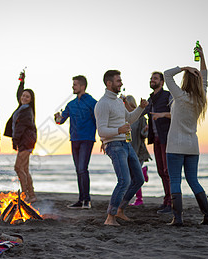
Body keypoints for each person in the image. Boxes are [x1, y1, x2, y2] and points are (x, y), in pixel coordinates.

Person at [157, 44, 208, 226]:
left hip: (175, 145)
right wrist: (202, 56)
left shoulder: (179, 96)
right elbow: (205, 76)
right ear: (197, 82)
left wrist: (183, 67)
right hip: (192, 146)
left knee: (175, 180)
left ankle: (178, 218)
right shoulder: (201, 98)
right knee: (193, 180)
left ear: (185, 80)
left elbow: (166, 74)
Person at [95, 70, 148, 226]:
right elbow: (101, 131)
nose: (121, 83)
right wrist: (118, 130)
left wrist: (140, 108)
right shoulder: (103, 104)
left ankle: (120, 210)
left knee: (138, 179)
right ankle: (110, 217)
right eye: (118, 81)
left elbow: (130, 118)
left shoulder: (118, 102)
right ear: (109, 83)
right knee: (124, 180)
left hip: (126, 143)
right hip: (114, 145)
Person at [54, 75, 97, 209]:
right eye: (73, 84)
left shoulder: (92, 102)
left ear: (82, 86)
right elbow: (60, 121)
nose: (73, 87)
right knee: (79, 170)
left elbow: (98, 121)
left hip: (87, 139)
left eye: (75, 85)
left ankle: (87, 201)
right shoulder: (71, 104)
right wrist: (57, 118)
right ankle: (81, 200)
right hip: (74, 140)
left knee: (82, 169)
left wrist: (104, 140)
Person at [4, 70, 38, 203]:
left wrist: (14, 141)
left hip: (25, 142)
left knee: (18, 168)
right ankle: (32, 195)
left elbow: (19, 129)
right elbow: (19, 93)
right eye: (23, 96)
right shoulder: (22, 107)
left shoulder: (26, 111)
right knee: (24, 168)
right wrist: (21, 82)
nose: (24, 97)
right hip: (27, 142)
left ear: (31, 100)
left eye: (27, 97)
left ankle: (25, 195)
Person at [141, 71, 173, 214]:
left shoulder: (167, 96)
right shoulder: (151, 98)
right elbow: (139, 113)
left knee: (168, 171)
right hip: (156, 139)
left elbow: (176, 114)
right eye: (151, 78)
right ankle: (166, 200)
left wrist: (162, 116)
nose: (152, 80)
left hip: (167, 138)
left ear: (162, 82)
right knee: (161, 171)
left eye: (155, 78)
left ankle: (171, 203)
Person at [122, 95, 151, 206]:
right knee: (130, 177)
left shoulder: (140, 117)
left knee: (134, 177)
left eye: (127, 104)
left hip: (138, 151)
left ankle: (139, 199)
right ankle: (143, 171)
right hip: (127, 150)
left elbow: (144, 135)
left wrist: (145, 130)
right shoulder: (124, 117)